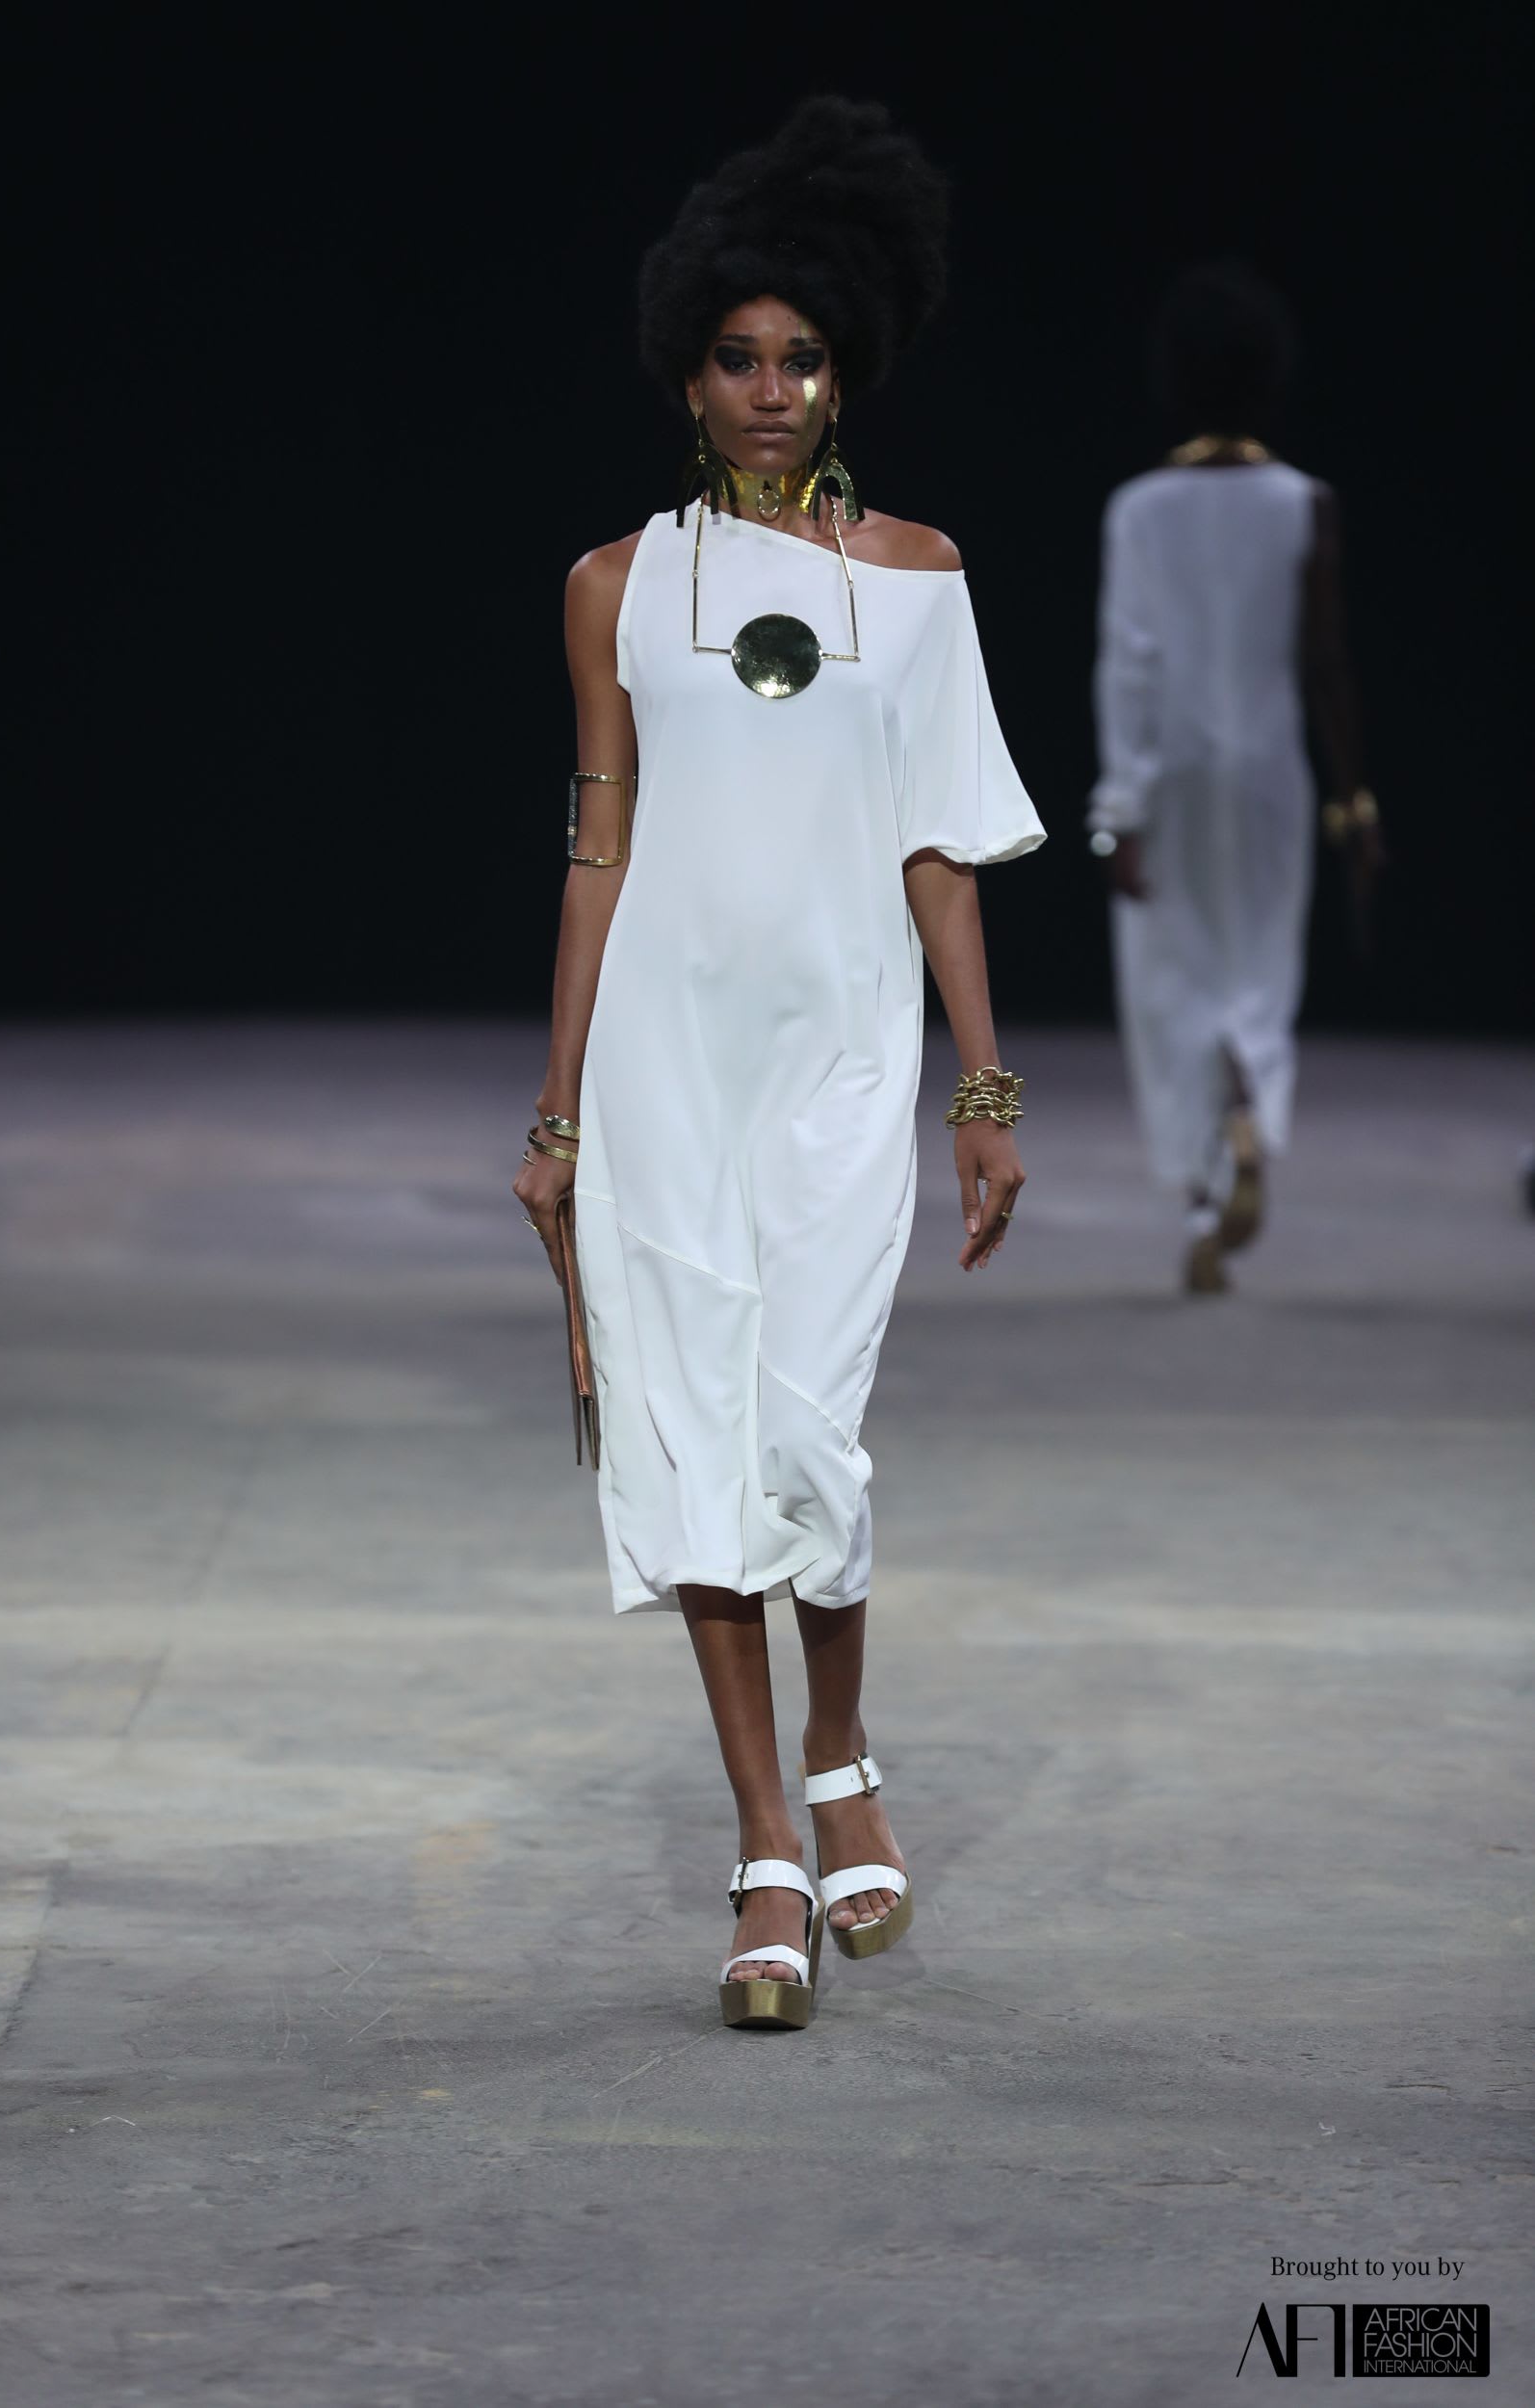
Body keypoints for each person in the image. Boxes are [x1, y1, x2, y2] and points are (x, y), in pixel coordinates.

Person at [513, 98, 1045, 2029]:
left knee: (809, 1432)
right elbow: (598, 844)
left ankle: (838, 1747)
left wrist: (979, 1088)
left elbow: (938, 845)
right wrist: (558, 1110)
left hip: (836, 1056)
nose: (767, 389)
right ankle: (763, 1843)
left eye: (799, 358)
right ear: (686, 370)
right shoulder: (614, 585)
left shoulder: (915, 578)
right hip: (663, 1063)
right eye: (735, 358)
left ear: (845, 368)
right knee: (693, 1444)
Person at [1088, 263, 1379, 1292]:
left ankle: (1204, 1194)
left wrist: (1116, 807)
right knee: (1256, 968)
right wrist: (1353, 800)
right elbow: (1325, 665)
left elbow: (1128, 662)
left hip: (1169, 777)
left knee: (1171, 981)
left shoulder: (1139, 510)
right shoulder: (1304, 502)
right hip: (1268, 773)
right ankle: (1246, 1110)